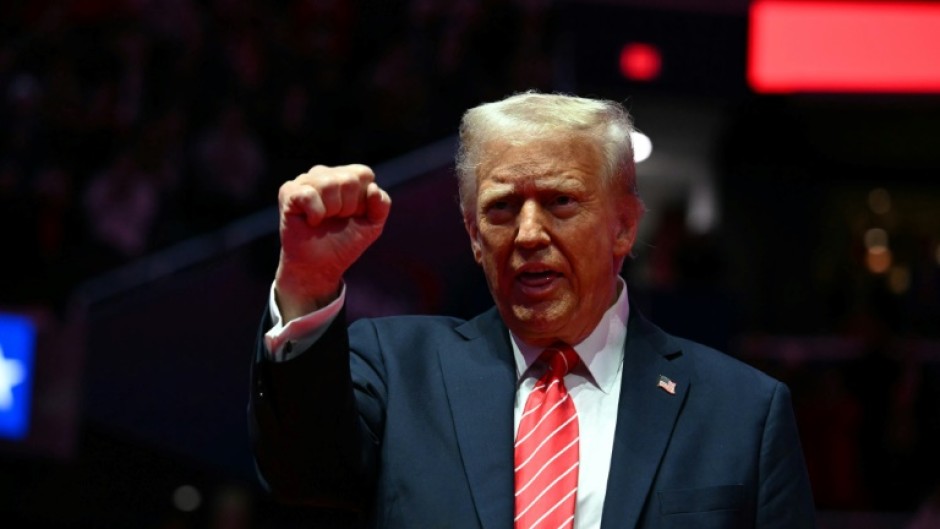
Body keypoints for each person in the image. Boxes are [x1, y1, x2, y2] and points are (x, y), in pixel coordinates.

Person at [249, 91, 817, 529]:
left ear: (623, 225)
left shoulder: (743, 413)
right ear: (473, 236)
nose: (527, 233)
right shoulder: (397, 372)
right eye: (500, 208)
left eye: (560, 201)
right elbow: (301, 473)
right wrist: (308, 281)